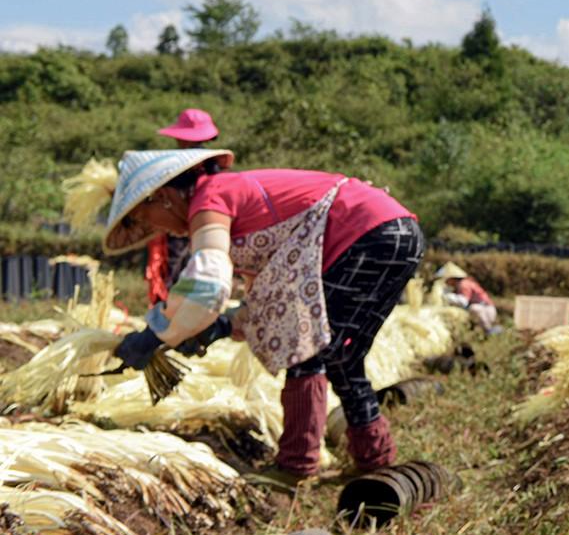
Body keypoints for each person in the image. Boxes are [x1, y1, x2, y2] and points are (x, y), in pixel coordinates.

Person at [102, 150, 425, 483]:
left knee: (315, 351)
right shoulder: (228, 197)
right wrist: (219, 326)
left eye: (147, 219)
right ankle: (371, 458)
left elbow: (207, 281)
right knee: (342, 355)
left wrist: (157, 333)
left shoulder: (209, 198)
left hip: (367, 234)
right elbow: (270, 300)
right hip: (394, 235)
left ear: (164, 197)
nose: (156, 230)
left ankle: (300, 467)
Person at [146, 108, 224, 305]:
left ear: (186, 139)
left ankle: (170, 319)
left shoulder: (186, 166)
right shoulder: (215, 164)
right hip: (208, 227)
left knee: (175, 275)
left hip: (185, 227)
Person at [434, 262, 498, 333]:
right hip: (484, 310)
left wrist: (446, 296)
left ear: (452, 278)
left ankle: (488, 329)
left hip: (486, 311)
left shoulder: (464, 284)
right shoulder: (458, 285)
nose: (445, 282)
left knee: (473, 308)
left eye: (446, 279)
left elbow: (463, 302)